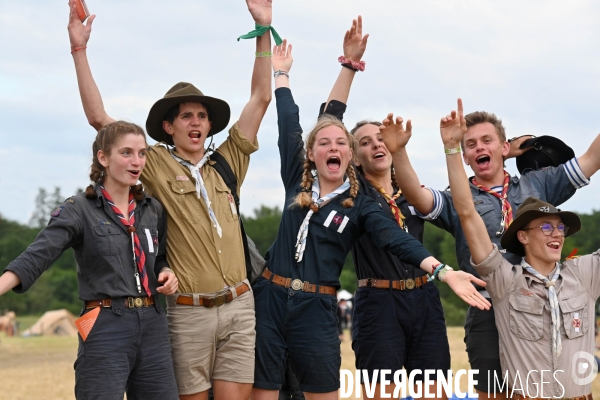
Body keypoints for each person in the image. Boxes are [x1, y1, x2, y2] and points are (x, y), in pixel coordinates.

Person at [251, 38, 490, 400]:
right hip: (311, 298)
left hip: (394, 300)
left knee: (433, 389)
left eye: (380, 139)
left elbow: (398, 238)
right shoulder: (331, 188)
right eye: (361, 141)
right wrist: (286, 75)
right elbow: (302, 123)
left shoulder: (382, 201)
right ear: (350, 159)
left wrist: (443, 271)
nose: (336, 147)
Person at [68, 0, 274, 398]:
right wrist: (79, 50)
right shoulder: (155, 163)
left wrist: (263, 28)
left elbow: (261, 98)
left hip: (238, 306)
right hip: (186, 312)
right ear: (168, 127)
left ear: (210, 125)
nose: (195, 122)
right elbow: (99, 119)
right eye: (186, 116)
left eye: (201, 116)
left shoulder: (228, 160)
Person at [381, 100, 600, 399]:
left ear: (504, 148)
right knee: (494, 393)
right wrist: (398, 152)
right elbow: (416, 196)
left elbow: (592, 158)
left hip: (537, 304)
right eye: (470, 144)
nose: (479, 147)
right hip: (486, 306)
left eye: (487, 140)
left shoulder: (538, 184)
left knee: (544, 391)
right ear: (466, 156)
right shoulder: (458, 198)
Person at [0, 121, 179, 400]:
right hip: (105, 325)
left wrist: (166, 271)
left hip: (154, 323)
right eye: (127, 153)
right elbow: (38, 255)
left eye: (142, 153)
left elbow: (160, 257)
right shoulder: (78, 209)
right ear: (103, 158)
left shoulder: (152, 209)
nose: (137, 161)